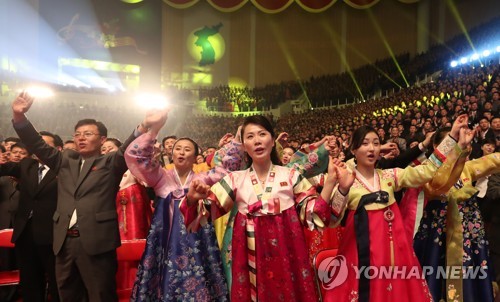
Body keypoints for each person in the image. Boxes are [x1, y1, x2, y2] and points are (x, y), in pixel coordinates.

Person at [11, 91, 167, 302]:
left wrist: (143, 125)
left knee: (100, 294)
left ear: (102, 139)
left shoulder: (110, 163)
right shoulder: (64, 160)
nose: (81, 138)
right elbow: (36, 144)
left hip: (96, 241)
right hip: (63, 241)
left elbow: (127, 148)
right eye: (77, 134)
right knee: (67, 292)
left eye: (87, 134)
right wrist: (19, 117)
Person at [181, 115, 348, 301]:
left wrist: (334, 183)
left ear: (272, 139)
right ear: (243, 145)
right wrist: (191, 200)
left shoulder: (291, 176)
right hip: (249, 259)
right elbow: (203, 214)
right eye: (250, 136)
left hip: (288, 257)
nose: (257, 140)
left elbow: (316, 214)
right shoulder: (234, 179)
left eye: (262, 134)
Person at [323, 115, 468, 302]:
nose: (372, 148)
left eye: (376, 143)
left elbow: (427, 171)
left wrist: (452, 138)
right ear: (353, 149)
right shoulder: (346, 181)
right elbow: (333, 222)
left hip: (393, 252)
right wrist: (342, 189)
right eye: (365, 143)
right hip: (359, 255)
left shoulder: (391, 176)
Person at [125, 118, 243, 301]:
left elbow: (227, 168)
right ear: (170, 154)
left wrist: (237, 140)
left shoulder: (204, 178)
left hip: (197, 236)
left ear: (196, 157)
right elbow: (137, 156)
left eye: (187, 150)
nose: (181, 153)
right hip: (165, 237)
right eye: (177, 149)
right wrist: (154, 130)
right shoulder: (159, 176)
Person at [0, 131, 63, 302]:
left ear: (58, 149)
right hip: (25, 234)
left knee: (58, 284)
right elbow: (3, 168)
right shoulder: (28, 165)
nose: (39, 149)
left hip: (53, 235)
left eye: (44, 145)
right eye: (36, 145)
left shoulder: (65, 168)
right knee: (29, 284)